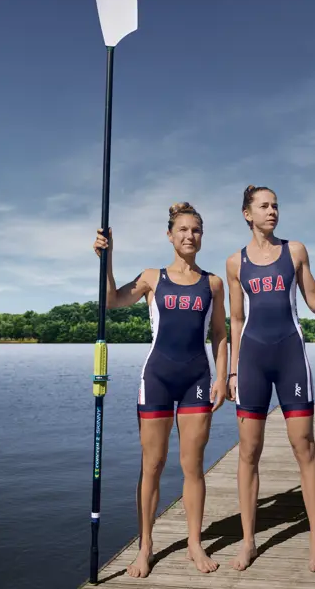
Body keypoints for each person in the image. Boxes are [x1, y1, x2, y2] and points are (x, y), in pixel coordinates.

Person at [226, 185, 315, 573]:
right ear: (247, 214)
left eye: (276, 206)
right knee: (248, 451)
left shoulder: (295, 251)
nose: (272, 211)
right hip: (251, 359)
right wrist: (233, 370)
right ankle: (249, 541)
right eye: (264, 206)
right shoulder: (234, 263)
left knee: (304, 446)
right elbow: (236, 320)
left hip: (290, 358)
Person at [93, 202, 228, 578]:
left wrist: (222, 377)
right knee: (152, 464)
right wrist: (107, 259)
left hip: (197, 380)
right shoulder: (153, 277)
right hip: (157, 378)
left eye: (196, 230)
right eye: (183, 230)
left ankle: (194, 543)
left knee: (193, 466)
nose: (190, 236)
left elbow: (219, 334)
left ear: (202, 236)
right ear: (170, 235)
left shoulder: (212, 283)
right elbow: (112, 300)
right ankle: (146, 546)